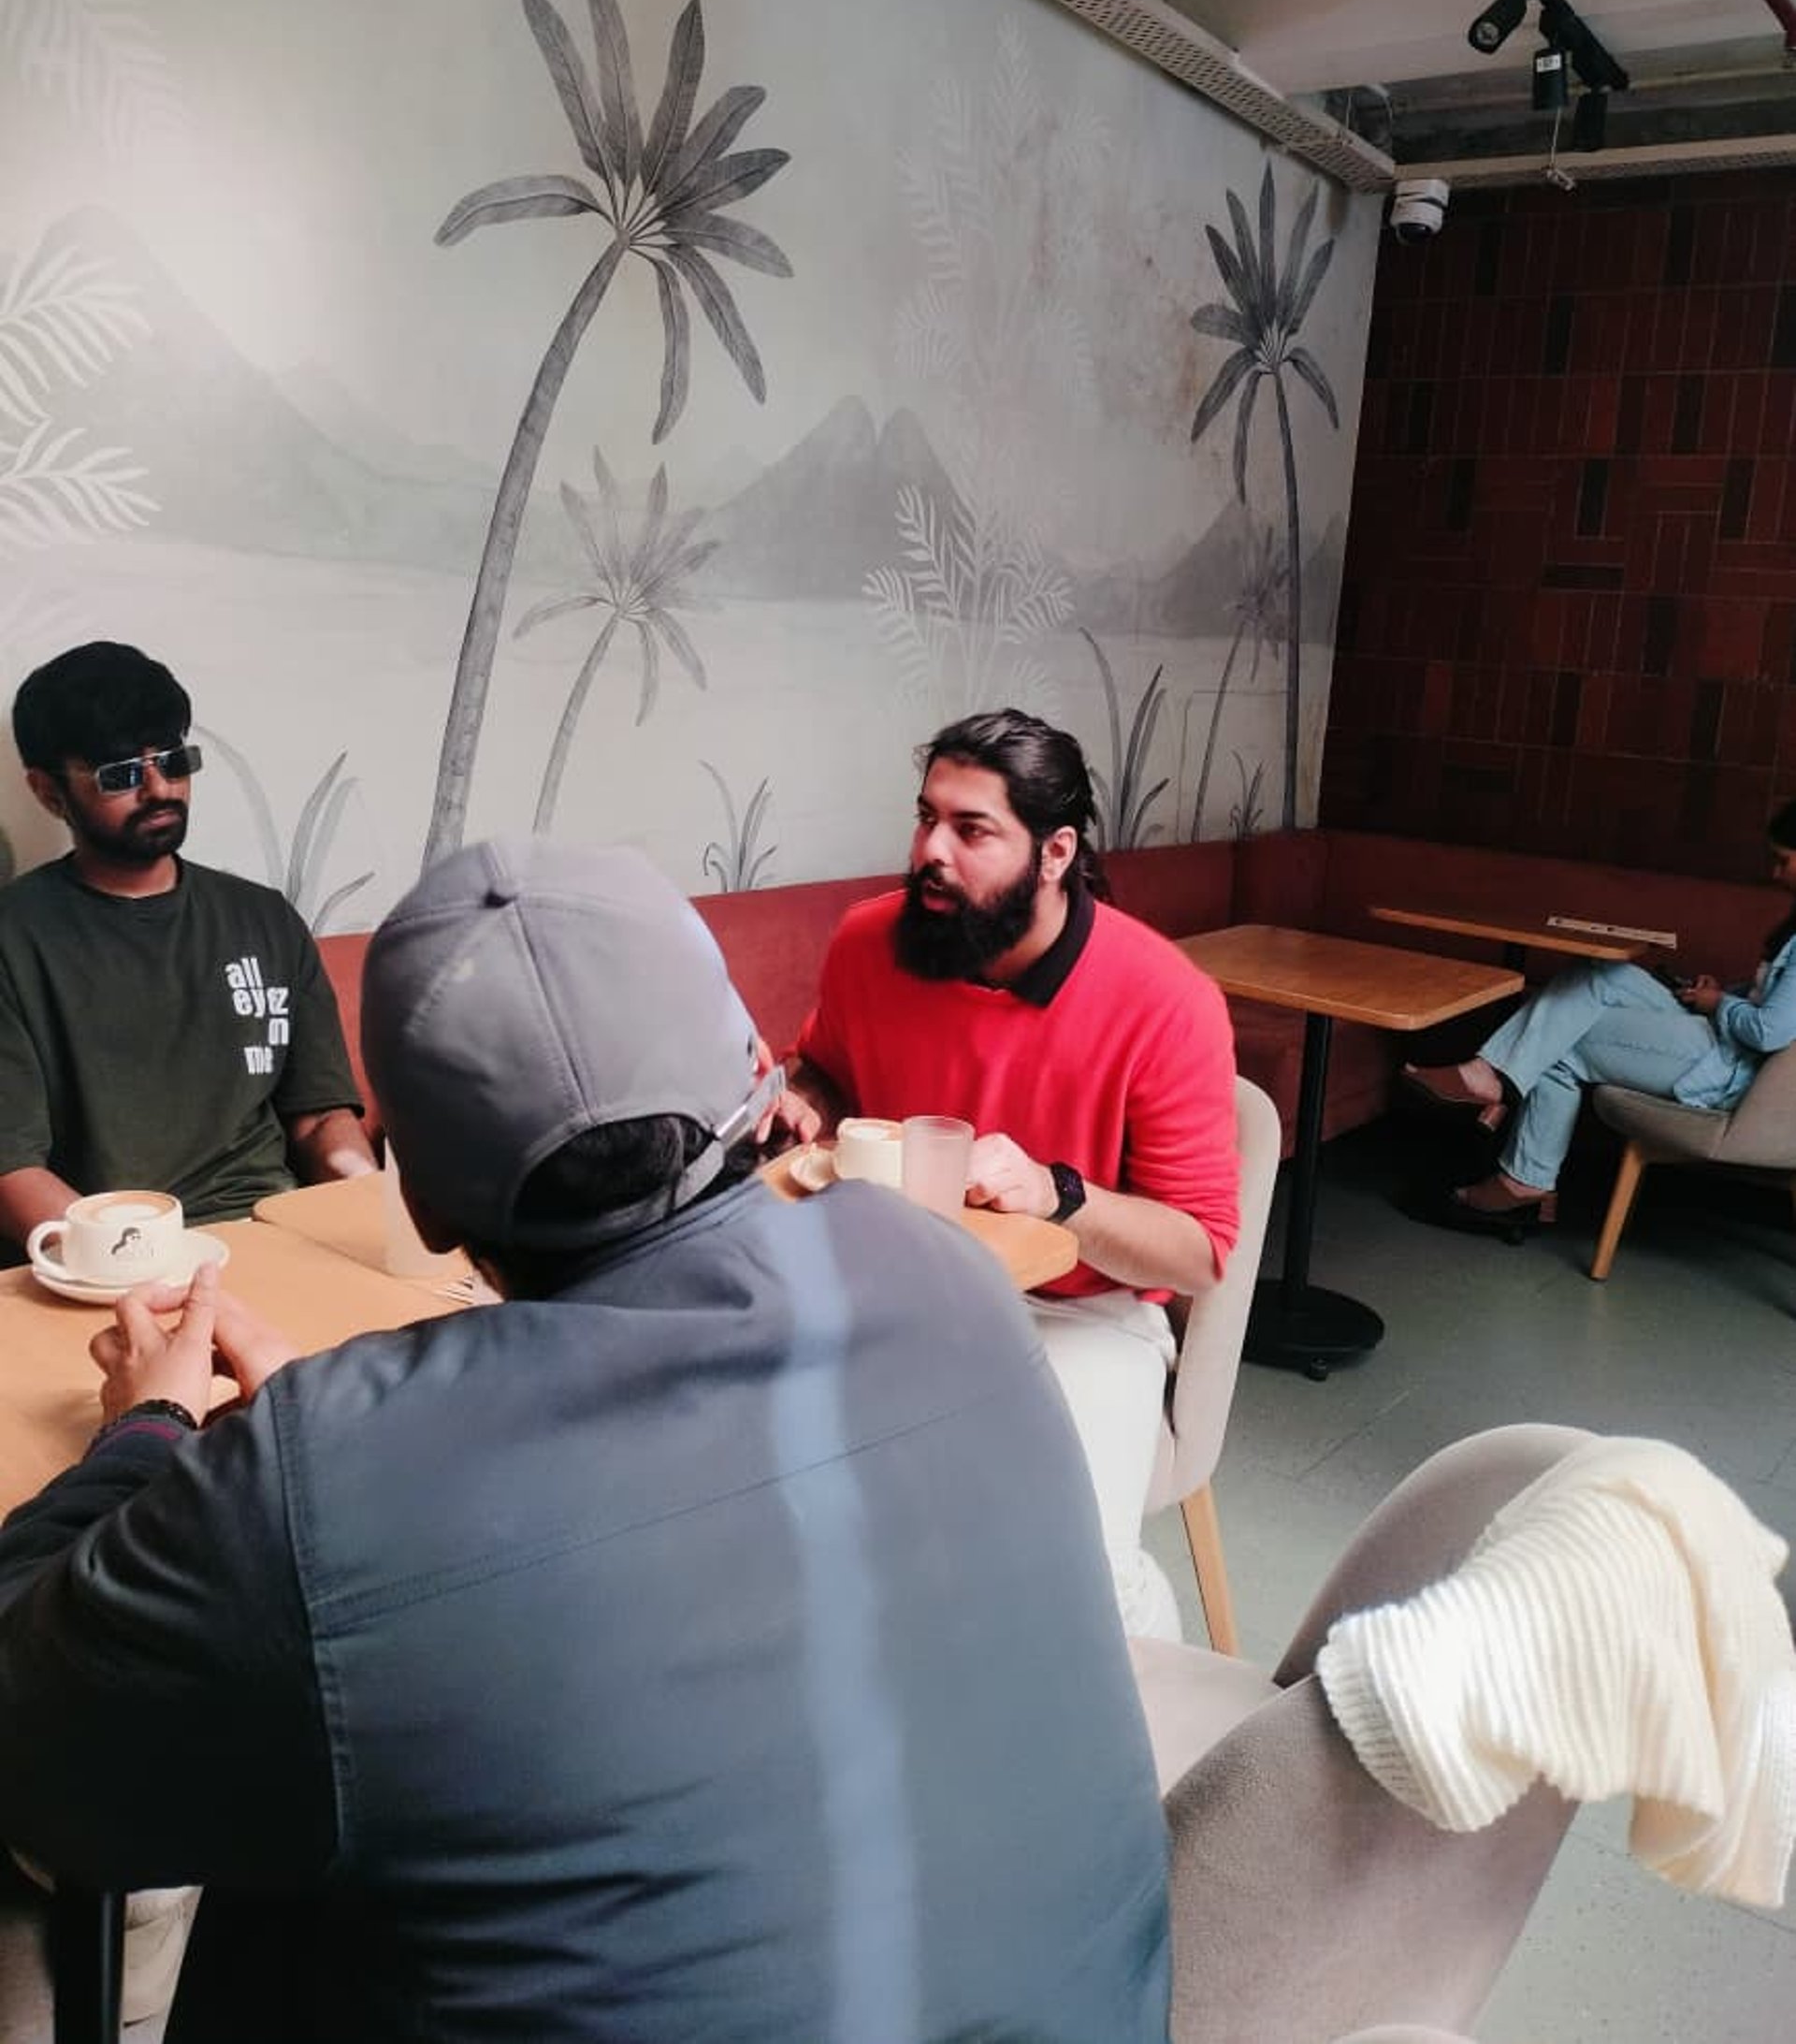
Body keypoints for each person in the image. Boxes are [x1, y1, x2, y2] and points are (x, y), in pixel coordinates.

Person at [0, 837, 1171, 2044]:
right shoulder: (941, 1269)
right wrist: (329, 1457)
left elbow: (33, 1749)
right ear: (760, 1073)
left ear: (417, 1198)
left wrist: (151, 1435)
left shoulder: (330, 1478)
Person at [787, 708, 1239, 1642]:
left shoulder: (1165, 999)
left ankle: (1139, 1667)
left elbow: (1196, 1253)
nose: (930, 851)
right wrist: (800, 1102)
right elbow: (823, 1070)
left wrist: (1061, 1195)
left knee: (1068, 1574)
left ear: (1056, 851)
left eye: (972, 829)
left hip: (1077, 1316)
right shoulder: (869, 943)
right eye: (927, 818)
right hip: (888, 1285)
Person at [0, 643, 375, 1257]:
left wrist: (368, 1200)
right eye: (122, 775)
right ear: (48, 792)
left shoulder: (264, 919)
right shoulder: (15, 938)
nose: (159, 789)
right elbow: (13, 1171)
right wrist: (139, 1268)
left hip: (270, 1235)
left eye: (174, 762)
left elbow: (319, 1120)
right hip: (110, 1254)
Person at [1406, 800, 1796, 1231]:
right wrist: (1723, 993)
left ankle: (1521, 1173)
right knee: (1600, 973)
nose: (1775, 873)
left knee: (1560, 1037)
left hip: (1731, 1071)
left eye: (1784, 860)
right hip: (1722, 1044)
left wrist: (1720, 1004)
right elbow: (1773, 1002)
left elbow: (1770, 1032)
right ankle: (1493, 1085)